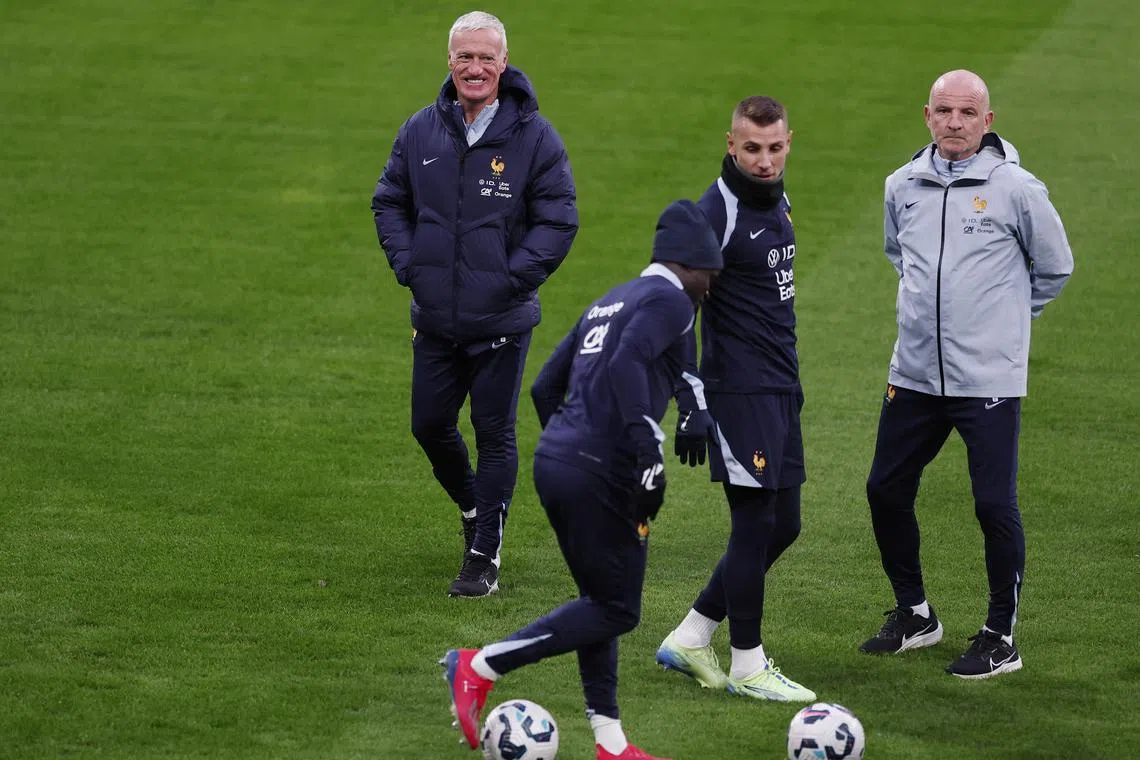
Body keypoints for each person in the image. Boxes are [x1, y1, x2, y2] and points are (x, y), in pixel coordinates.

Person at [440, 200, 722, 760]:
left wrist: (569, 446)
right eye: (711, 271)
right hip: (605, 467)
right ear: (688, 263)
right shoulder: (671, 300)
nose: (714, 284)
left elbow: (547, 386)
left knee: (600, 601)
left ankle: (611, 743)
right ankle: (481, 664)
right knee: (617, 609)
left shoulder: (610, 300)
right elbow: (625, 367)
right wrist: (645, 453)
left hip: (561, 461)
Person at [858, 70, 1073, 679]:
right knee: (884, 490)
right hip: (916, 374)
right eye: (945, 111)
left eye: (968, 112)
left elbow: (1055, 268)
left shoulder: (1018, 190)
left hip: (988, 380)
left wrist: (1002, 323)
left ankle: (1000, 637)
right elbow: (899, 255)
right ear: (927, 115)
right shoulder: (901, 185)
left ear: (988, 120)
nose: (955, 122)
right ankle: (916, 615)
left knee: (992, 506)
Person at [371, 11, 578, 597]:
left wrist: (511, 279)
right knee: (430, 426)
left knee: (494, 433)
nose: (476, 68)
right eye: (465, 57)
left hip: (501, 321)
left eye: (487, 58)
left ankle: (483, 556)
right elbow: (388, 200)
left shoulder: (535, 137)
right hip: (435, 318)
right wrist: (411, 267)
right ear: (449, 62)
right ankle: (475, 509)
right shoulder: (420, 131)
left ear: (504, 64)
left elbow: (559, 219)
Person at [654, 96, 816, 702]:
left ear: (789, 142)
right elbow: (674, 312)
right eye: (752, 148)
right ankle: (748, 664)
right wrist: (691, 401)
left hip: (780, 386)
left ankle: (692, 635)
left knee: (785, 525)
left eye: (775, 148)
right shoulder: (712, 215)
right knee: (753, 524)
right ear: (731, 144)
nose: (765, 161)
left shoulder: (780, 201)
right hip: (737, 390)